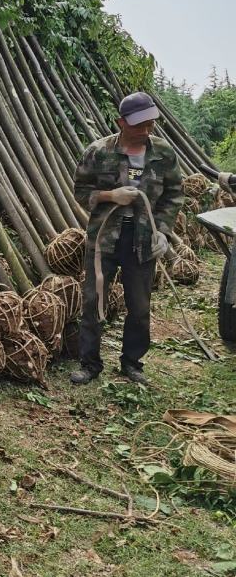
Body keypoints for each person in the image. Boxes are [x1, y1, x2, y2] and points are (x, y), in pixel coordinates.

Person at [71, 91, 182, 386]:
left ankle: (132, 363)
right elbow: (81, 191)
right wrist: (110, 195)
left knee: (140, 304)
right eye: (138, 125)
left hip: (143, 239)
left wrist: (162, 230)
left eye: (150, 124)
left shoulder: (163, 154)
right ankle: (89, 364)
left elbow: (174, 194)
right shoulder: (99, 152)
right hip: (104, 239)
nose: (145, 130)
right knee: (93, 300)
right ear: (121, 122)